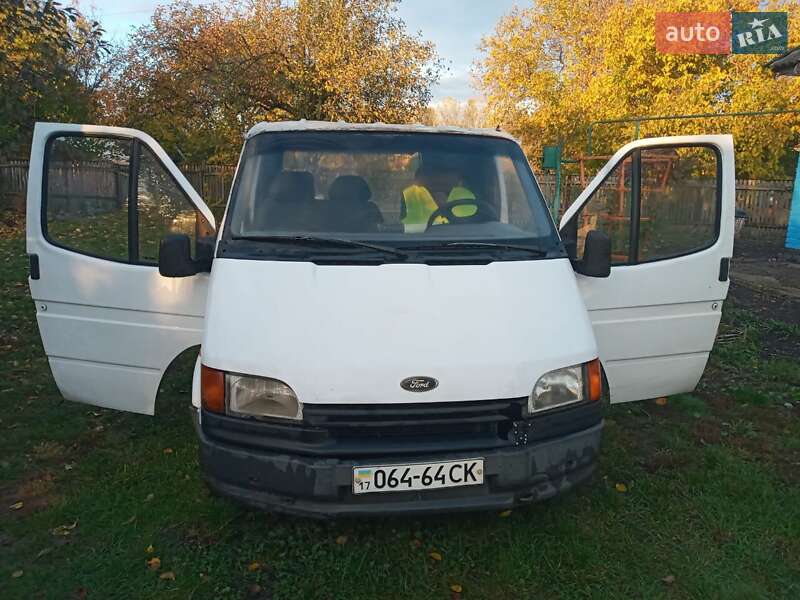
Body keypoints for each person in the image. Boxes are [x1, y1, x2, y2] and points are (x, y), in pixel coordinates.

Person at [401, 165, 477, 232]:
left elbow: (477, 225)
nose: (439, 178)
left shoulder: (465, 194)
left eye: (445, 173)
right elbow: (395, 228)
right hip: (415, 243)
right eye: (432, 174)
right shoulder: (410, 195)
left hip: (463, 243)